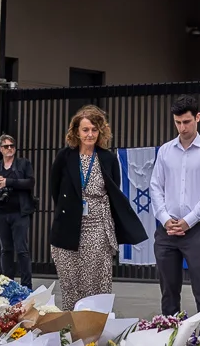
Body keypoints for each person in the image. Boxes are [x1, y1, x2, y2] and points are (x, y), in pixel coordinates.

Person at [49, 106, 146, 311]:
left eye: (94, 129)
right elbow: (55, 189)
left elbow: (114, 190)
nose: (90, 134)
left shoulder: (108, 158)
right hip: (68, 228)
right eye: (85, 130)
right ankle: (73, 331)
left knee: (94, 284)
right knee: (71, 285)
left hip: (97, 227)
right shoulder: (64, 157)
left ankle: (95, 329)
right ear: (76, 131)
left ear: (100, 131)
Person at [150, 96, 200, 341]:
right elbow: (155, 187)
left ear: (198, 118)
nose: (183, 127)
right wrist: (164, 218)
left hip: (196, 230)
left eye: (187, 122)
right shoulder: (165, 151)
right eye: (178, 122)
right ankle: (171, 338)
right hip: (166, 230)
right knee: (168, 291)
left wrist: (188, 221)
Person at [0, 134, 36, 288]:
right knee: (6, 249)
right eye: (6, 146)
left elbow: (30, 183)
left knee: (22, 250)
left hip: (19, 212)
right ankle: (8, 284)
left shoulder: (23, 164)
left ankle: (26, 285)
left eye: (12, 146)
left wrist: (8, 182)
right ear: (1, 149)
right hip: (1, 214)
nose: (10, 149)